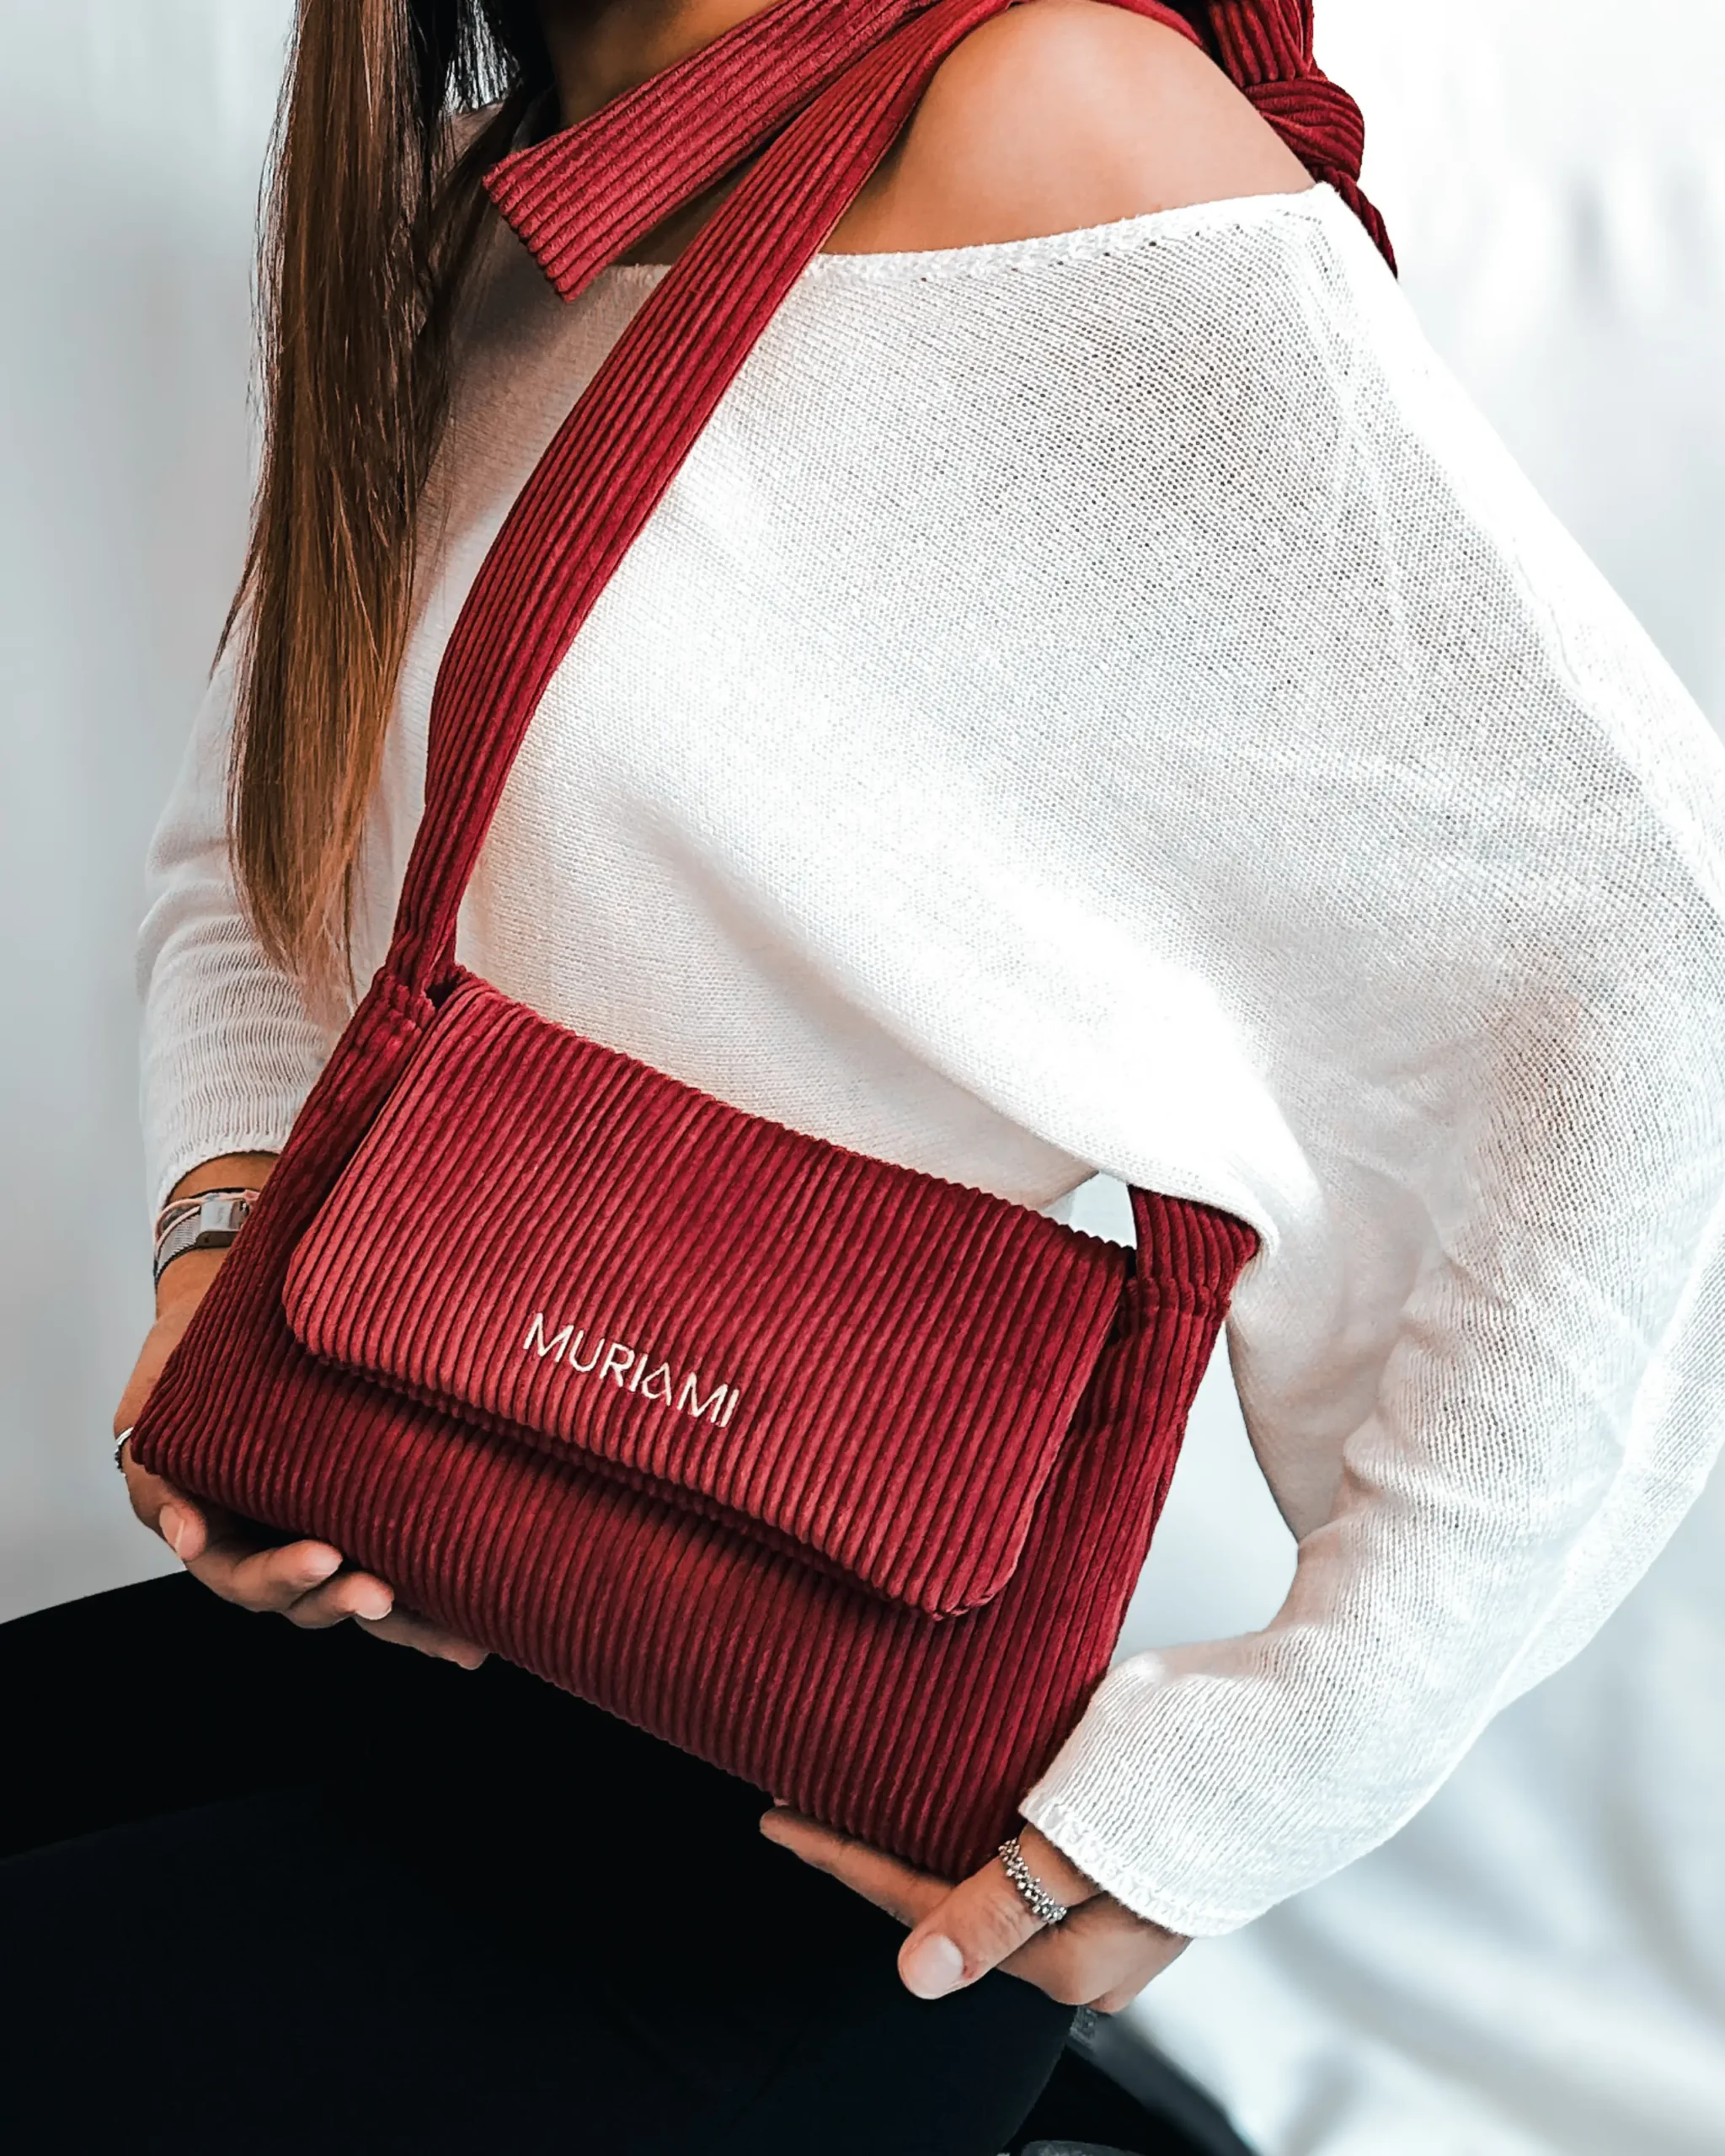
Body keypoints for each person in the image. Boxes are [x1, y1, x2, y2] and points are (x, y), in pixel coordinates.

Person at [4, 1, 1723, 2150]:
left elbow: (1644, 953)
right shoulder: (490, 206)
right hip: (401, 1584)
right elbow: (263, 844)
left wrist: (1276, 1765)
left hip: (801, 1835)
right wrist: (225, 1246)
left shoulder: (1049, 116)